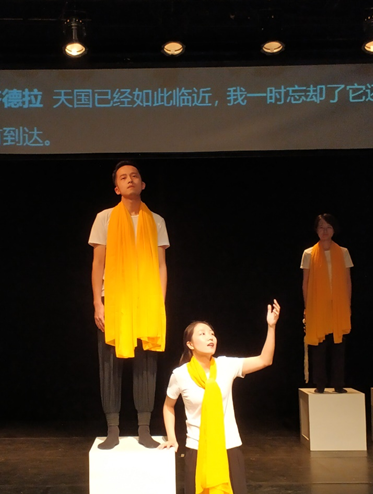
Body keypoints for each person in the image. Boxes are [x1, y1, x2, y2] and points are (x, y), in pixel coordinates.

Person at [160, 301, 280, 494]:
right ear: (190, 344)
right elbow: (168, 406)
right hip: (197, 448)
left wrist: (271, 327)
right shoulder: (180, 374)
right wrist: (172, 438)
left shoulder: (226, 365)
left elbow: (264, 360)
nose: (210, 337)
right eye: (202, 334)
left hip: (229, 446)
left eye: (212, 334)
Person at [89, 161, 169, 449]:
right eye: (123, 177)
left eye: (134, 175)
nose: (130, 179)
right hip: (114, 298)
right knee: (110, 363)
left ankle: (144, 428)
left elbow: (161, 265)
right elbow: (98, 263)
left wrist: (159, 303)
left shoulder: (156, 220)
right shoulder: (105, 218)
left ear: (143, 184)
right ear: (117, 188)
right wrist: (97, 303)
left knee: (146, 363)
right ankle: (112, 428)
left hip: (147, 298)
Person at [301, 213, 352, 394]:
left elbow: (347, 281)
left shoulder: (343, 252)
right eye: (321, 227)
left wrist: (348, 305)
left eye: (328, 227)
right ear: (316, 230)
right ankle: (320, 383)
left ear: (334, 230)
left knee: (338, 346)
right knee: (319, 346)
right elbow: (306, 282)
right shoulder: (308, 253)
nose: (325, 231)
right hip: (317, 306)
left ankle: (338, 383)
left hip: (338, 305)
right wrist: (308, 307)